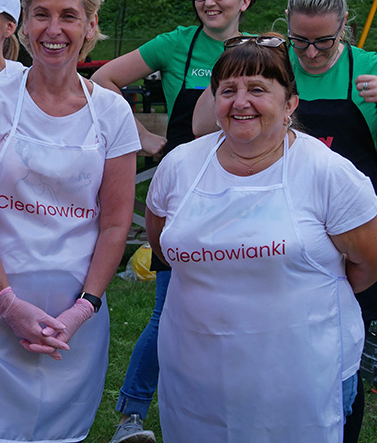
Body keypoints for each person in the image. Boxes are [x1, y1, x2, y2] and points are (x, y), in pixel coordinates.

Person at [149, 34, 377, 441]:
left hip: (303, 378)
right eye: (228, 90)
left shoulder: (328, 173)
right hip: (196, 372)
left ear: (290, 103)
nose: (240, 103)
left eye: (258, 89)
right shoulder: (179, 166)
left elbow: (367, 264)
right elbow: (161, 244)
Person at [0, 0, 141, 443]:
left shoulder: (113, 113)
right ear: (25, 22)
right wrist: (8, 304)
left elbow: (117, 223)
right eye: (41, 14)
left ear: (91, 25)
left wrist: (83, 309)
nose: (53, 30)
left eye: (69, 16)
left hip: (72, 330)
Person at [193, 0, 377, 442]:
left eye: (324, 43)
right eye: (300, 43)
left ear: (345, 24)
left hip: (353, 240)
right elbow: (201, 129)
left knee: (343, 365)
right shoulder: (273, 68)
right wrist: (241, 62)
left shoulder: (370, 72)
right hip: (273, 242)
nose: (312, 54)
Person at [90, 0, 256, 443]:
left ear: (244, 0)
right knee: (170, 309)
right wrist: (144, 138)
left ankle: (223, 407)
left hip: (242, 192)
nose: (210, 1)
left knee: (236, 306)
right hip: (182, 193)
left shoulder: (257, 49)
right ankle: (131, 416)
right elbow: (103, 80)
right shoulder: (176, 43)